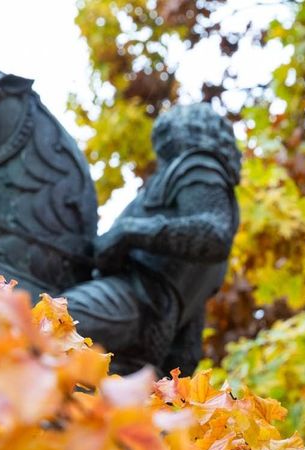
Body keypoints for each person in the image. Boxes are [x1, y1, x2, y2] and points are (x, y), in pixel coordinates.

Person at [64, 103, 242, 375]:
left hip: (134, 299)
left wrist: (129, 232)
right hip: (156, 331)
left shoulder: (196, 166)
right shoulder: (216, 195)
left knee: (50, 322)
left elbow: (213, 234)